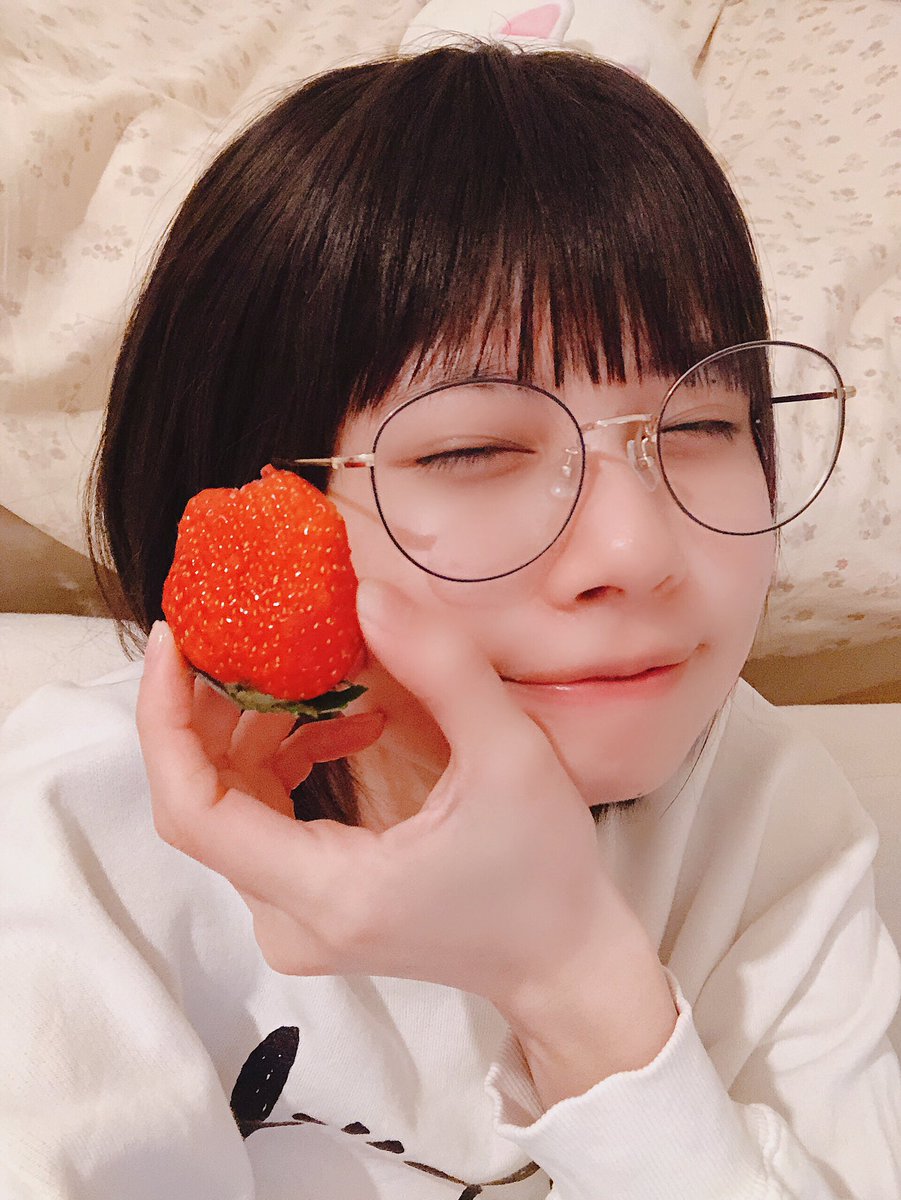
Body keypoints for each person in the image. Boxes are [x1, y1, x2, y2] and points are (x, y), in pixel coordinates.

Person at [0, 42, 899, 1200]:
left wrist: (568, 976)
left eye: (699, 427)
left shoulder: (766, 809)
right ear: (253, 517)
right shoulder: (72, 838)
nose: (636, 551)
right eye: (472, 449)